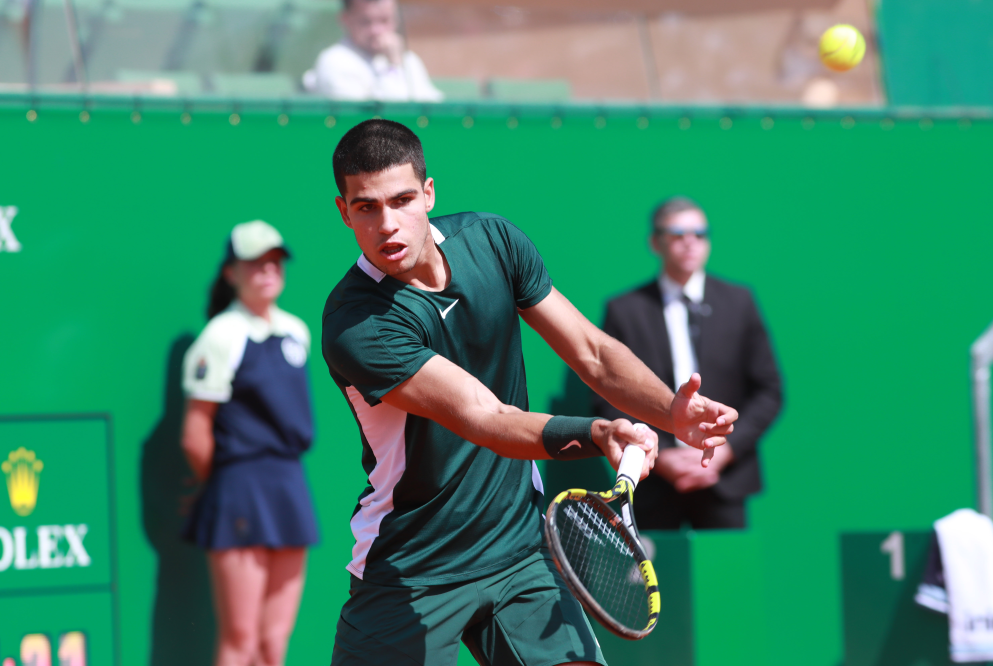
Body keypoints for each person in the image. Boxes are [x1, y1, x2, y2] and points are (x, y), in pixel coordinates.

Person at [321, 119, 739, 666]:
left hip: (518, 551)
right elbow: (485, 418)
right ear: (344, 211)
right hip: (412, 569)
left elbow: (590, 350)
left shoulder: (491, 241)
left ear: (429, 193)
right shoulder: (359, 324)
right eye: (366, 207)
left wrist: (670, 412)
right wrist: (598, 432)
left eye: (401, 200)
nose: (388, 224)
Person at [594, 197, 783, 530]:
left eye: (699, 233)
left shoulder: (740, 302)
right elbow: (606, 393)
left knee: (728, 578)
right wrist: (662, 455)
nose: (690, 242)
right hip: (652, 480)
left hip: (725, 481)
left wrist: (724, 452)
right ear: (656, 243)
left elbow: (769, 391)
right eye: (678, 233)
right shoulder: (625, 310)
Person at [181, 220, 318, 666]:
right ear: (231, 273)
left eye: (274, 261)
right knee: (240, 640)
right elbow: (195, 434)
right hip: (239, 488)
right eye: (255, 262)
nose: (267, 270)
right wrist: (225, 487)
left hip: (289, 487)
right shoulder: (219, 337)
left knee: (273, 644)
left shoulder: (297, 331)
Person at [302, 0, 443, 102]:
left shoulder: (409, 60)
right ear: (345, 19)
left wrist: (396, 62)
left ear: (396, 19)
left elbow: (430, 106)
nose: (376, 31)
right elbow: (374, 124)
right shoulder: (333, 61)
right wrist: (393, 66)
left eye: (384, 20)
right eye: (366, 21)